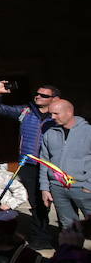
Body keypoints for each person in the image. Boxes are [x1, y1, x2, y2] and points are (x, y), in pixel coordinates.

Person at [0, 79, 57, 247]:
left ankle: (63, 238)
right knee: (36, 202)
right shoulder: (26, 111)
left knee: (54, 202)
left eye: (43, 95)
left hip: (51, 166)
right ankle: (39, 238)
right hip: (28, 165)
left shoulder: (58, 116)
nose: (38, 96)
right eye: (37, 93)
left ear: (54, 99)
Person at [40, 98, 91, 231]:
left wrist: (88, 185)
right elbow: (44, 162)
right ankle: (71, 252)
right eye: (50, 113)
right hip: (58, 188)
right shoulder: (49, 133)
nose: (52, 117)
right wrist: (45, 188)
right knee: (68, 227)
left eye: (56, 113)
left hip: (83, 188)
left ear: (69, 112)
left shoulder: (88, 132)